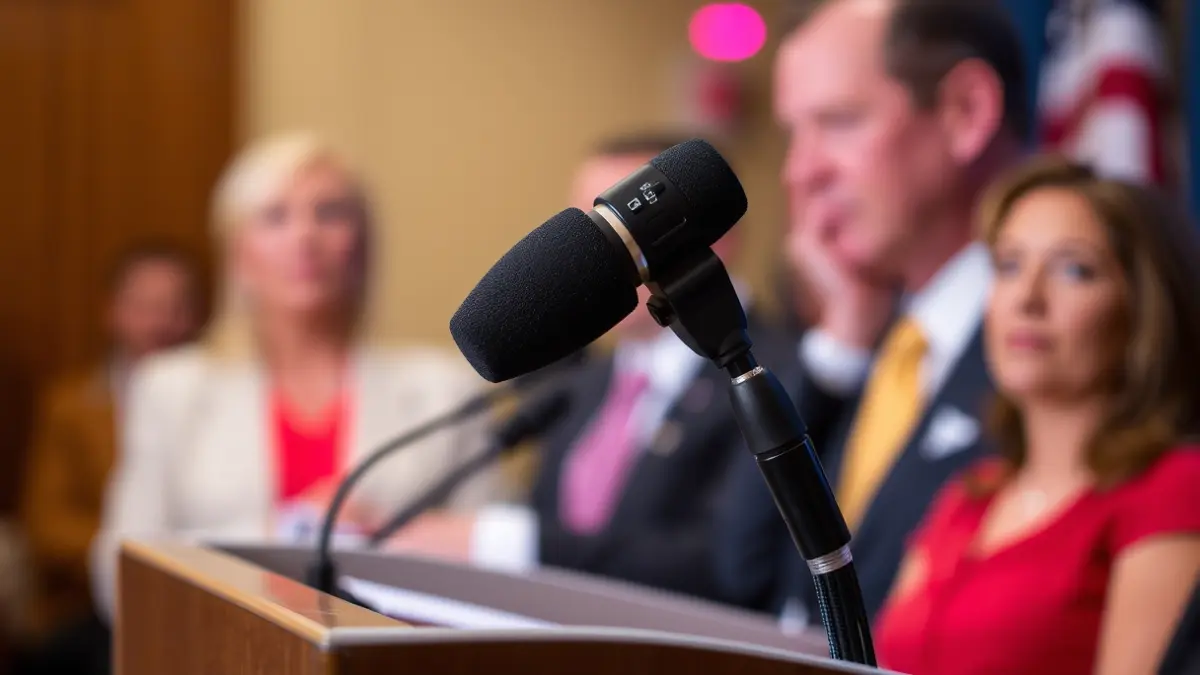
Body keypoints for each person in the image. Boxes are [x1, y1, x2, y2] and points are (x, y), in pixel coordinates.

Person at [89, 133, 501, 625]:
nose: (305, 236)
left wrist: (384, 536)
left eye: (330, 213)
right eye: (274, 216)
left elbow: (498, 573)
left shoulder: (443, 388)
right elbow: (116, 573)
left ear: (363, 246)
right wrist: (292, 533)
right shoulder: (173, 389)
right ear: (238, 252)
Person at [714, 0, 1029, 620]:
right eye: (793, 134)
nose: (799, 173)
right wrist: (843, 342)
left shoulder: (1072, 346)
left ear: (966, 112)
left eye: (838, 121)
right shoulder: (873, 336)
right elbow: (743, 572)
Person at [385, 134, 790, 602]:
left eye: (616, 230)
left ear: (710, 231)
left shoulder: (783, 371)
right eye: (583, 227)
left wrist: (505, 542)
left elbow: (729, 564)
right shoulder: (582, 380)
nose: (591, 257)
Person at [875, 157, 1200, 675]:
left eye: (1074, 270)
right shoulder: (968, 497)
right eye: (1008, 266)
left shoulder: (1173, 489)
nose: (1027, 298)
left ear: (1144, 308)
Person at [17, 243, 199, 672]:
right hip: (92, 605)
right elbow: (47, 524)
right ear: (113, 311)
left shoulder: (222, 405)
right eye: (146, 306)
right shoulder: (73, 405)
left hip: (202, 596)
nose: (160, 322)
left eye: (176, 307)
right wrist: (137, 556)